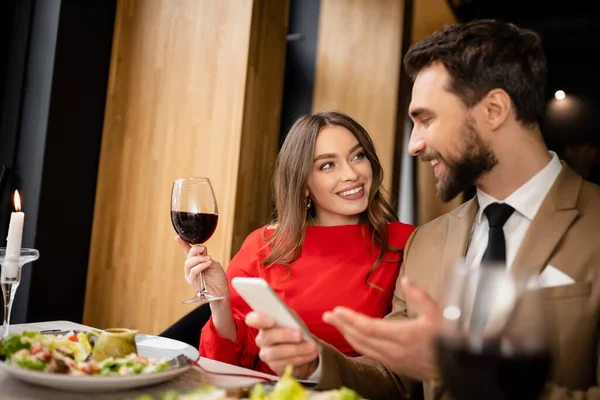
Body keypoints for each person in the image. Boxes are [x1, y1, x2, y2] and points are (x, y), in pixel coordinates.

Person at [246, 19, 600, 399]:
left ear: (494, 109)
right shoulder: (426, 242)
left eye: (426, 120)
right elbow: (393, 377)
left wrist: (458, 370)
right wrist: (318, 362)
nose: (415, 145)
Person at [175, 111, 416, 374]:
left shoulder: (406, 242)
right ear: (303, 185)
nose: (351, 174)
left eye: (358, 156)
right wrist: (218, 299)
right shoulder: (263, 244)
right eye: (327, 165)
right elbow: (224, 364)